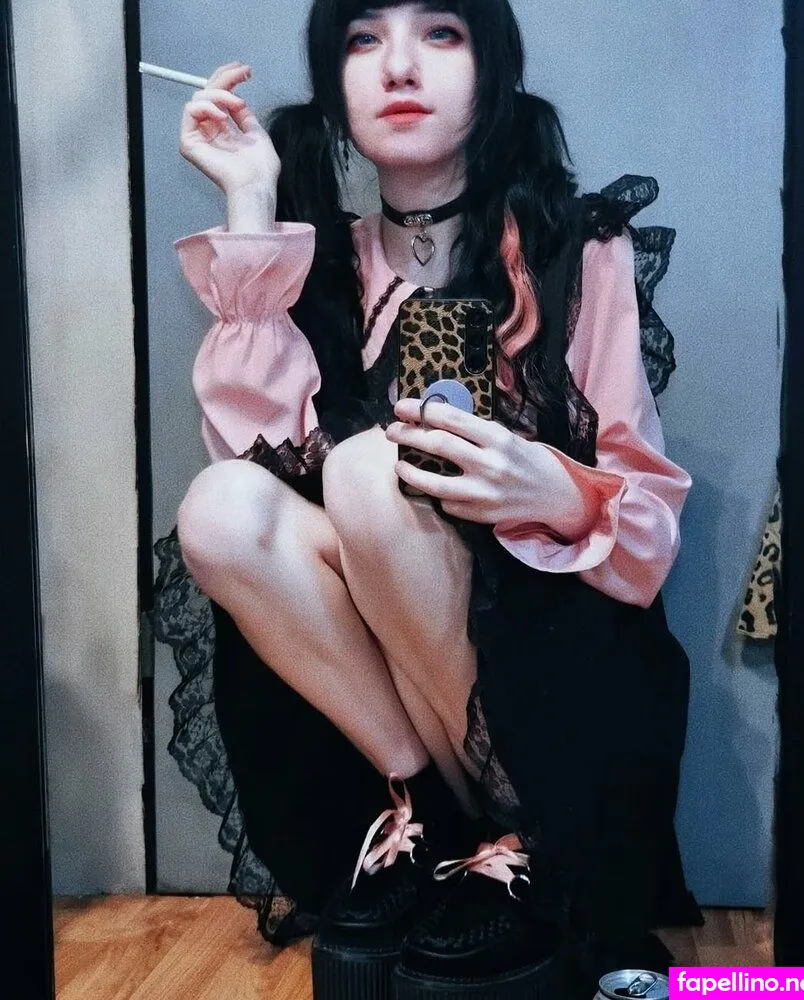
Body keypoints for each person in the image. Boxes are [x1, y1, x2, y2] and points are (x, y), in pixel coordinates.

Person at [160, 0, 703, 996]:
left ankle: (528, 833)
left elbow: (647, 529)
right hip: (383, 692)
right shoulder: (318, 261)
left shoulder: (571, 250)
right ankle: (439, 824)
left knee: (370, 473)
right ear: (333, 83)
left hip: (555, 676)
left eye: (440, 33)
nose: (399, 66)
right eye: (363, 39)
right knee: (220, 507)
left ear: (491, 67)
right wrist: (250, 202)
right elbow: (259, 462)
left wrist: (553, 486)